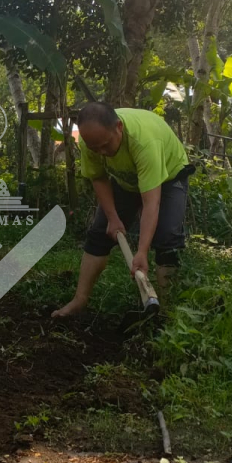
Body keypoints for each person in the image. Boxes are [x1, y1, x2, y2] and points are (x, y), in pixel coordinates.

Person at [52, 102, 192, 318]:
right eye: (95, 148)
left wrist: (142, 252)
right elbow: (98, 177)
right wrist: (113, 218)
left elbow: (151, 203)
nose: (101, 152)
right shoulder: (92, 142)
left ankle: (167, 313)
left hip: (169, 177)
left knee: (167, 239)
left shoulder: (144, 142)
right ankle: (79, 300)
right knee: (100, 233)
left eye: (105, 145)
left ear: (119, 127)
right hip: (127, 180)